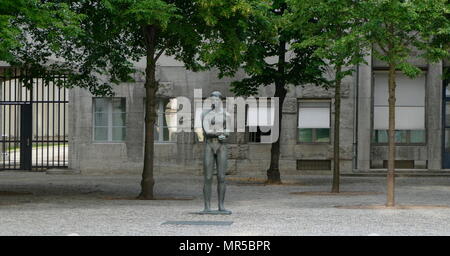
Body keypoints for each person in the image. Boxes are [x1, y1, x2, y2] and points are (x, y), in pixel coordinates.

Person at [201, 91, 231, 214]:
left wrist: (224, 134)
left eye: (216, 100)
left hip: (221, 146)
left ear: (220, 101)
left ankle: (221, 205)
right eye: (212, 100)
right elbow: (207, 131)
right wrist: (220, 132)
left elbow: (228, 131)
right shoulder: (205, 114)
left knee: (221, 177)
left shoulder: (226, 115)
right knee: (208, 177)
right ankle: (207, 206)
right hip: (209, 145)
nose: (214, 102)